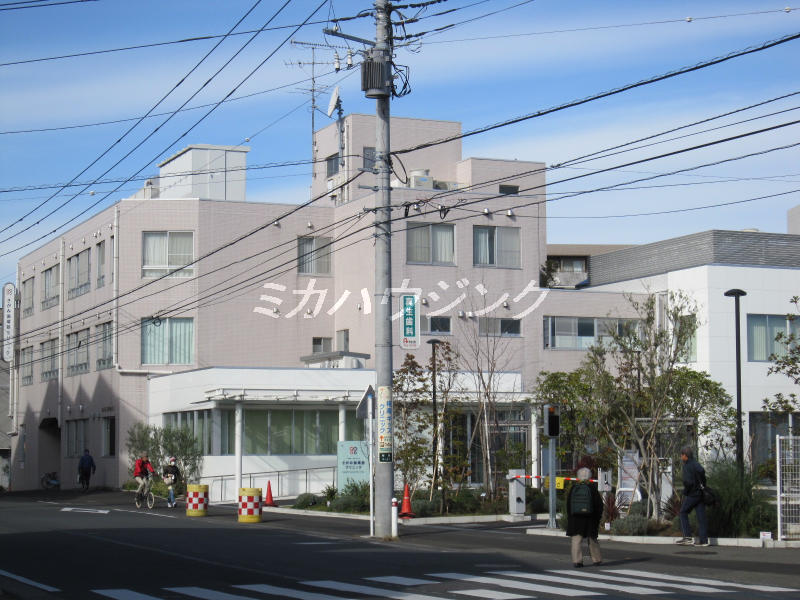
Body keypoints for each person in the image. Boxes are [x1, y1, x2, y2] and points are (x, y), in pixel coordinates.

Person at [566, 467, 604, 568]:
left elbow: (568, 504)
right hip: (590, 518)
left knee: (576, 540)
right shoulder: (592, 488)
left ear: (578, 476)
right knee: (592, 539)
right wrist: (598, 517)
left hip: (576, 518)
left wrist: (570, 517)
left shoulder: (574, 488)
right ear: (589, 477)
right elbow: (599, 505)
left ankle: (577, 561)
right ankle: (597, 559)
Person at [676, 445, 710, 546]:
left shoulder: (687, 466)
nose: (681, 457)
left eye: (681, 455)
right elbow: (702, 473)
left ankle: (687, 537)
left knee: (683, 512)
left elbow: (688, 482)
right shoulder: (696, 464)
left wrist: (685, 492)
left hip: (692, 494)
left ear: (685, 455)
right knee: (701, 517)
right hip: (700, 493)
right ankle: (703, 540)